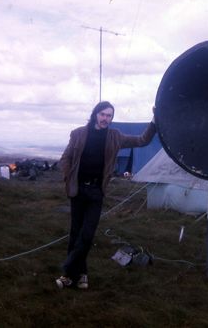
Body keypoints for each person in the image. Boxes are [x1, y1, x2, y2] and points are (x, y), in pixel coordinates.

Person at [56, 101, 156, 289]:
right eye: (103, 114)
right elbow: (66, 158)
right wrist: (68, 178)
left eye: (109, 116)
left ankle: (68, 272)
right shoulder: (78, 134)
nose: (105, 119)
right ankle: (81, 275)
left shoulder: (115, 136)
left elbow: (142, 140)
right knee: (75, 234)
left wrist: (154, 121)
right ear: (95, 114)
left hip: (96, 192)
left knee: (87, 235)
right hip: (78, 191)